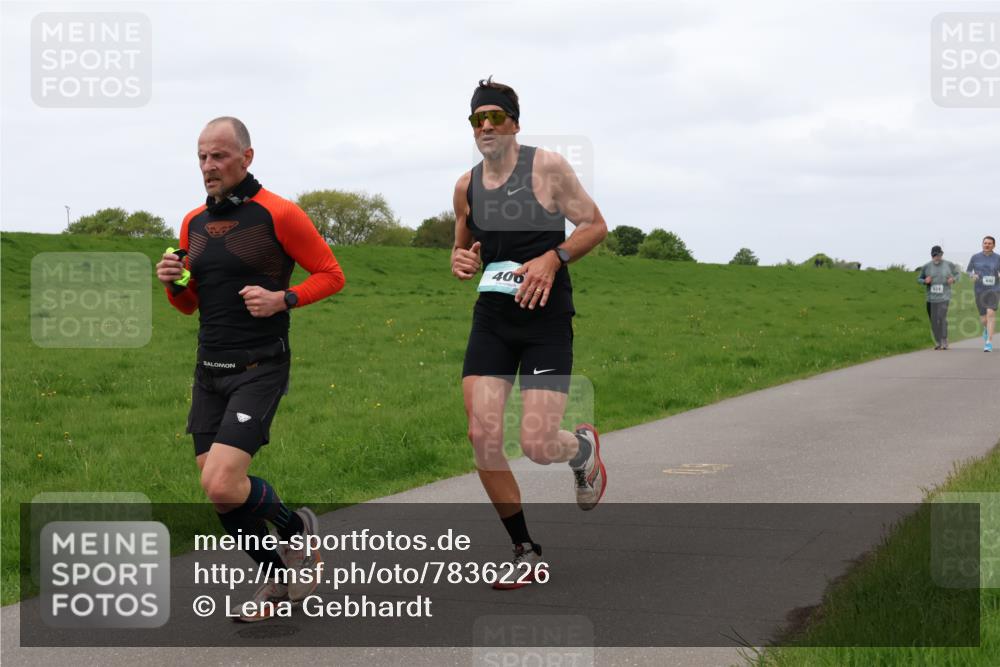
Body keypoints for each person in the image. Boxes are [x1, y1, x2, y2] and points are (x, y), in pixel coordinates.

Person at [155, 117, 345, 621]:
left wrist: (284, 297)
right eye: (201, 156)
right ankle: (279, 576)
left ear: (247, 157)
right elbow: (189, 306)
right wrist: (174, 282)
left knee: (221, 483)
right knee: (220, 493)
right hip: (208, 369)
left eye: (218, 156)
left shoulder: (279, 214)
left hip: (259, 366)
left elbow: (332, 274)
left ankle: (297, 534)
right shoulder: (193, 223)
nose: (208, 166)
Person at [450, 78, 608, 589]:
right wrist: (462, 260)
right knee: (483, 436)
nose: (487, 126)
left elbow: (594, 225)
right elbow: (464, 248)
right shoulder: (465, 185)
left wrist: (552, 257)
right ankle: (524, 550)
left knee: (538, 444)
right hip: (493, 320)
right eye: (478, 119)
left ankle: (580, 452)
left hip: (544, 317)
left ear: (515, 122)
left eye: (496, 116)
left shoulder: (547, 168)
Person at [917, 245, 960, 350]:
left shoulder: (948, 264)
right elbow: (919, 278)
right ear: (932, 255)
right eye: (935, 255)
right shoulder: (926, 266)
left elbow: (958, 274)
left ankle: (944, 339)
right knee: (933, 320)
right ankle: (938, 341)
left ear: (942, 254)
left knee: (941, 317)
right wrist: (924, 281)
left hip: (944, 297)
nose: (937, 257)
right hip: (931, 298)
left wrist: (953, 279)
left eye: (939, 255)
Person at [967, 236, 999, 352]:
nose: (987, 245)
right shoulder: (975, 257)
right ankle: (986, 329)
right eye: (985, 243)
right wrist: (972, 275)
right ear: (982, 244)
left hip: (994, 289)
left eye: (989, 243)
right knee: (983, 318)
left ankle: (989, 342)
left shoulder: (998, 258)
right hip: (979, 290)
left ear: (993, 245)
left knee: (990, 313)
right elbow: (969, 270)